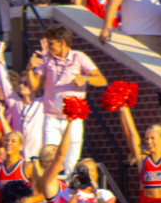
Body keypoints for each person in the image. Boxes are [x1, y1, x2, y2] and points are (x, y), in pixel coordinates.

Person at [27, 26, 106, 175]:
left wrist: (86, 78)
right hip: (51, 118)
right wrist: (30, 69)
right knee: (49, 159)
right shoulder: (47, 59)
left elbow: (101, 80)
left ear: (62, 43)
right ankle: (51, 194)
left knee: (71, 164)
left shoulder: (79, 57)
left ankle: (69, 194)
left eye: (51, 43)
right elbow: (34, 86)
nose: (48, 47)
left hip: (73, 119)